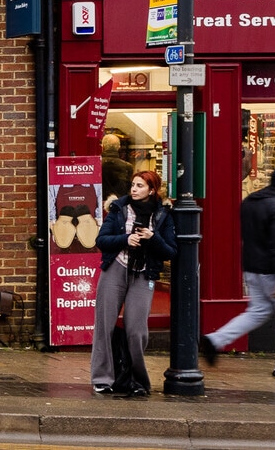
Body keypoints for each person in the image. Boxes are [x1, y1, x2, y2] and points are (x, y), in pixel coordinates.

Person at [199, 165, 275, 378]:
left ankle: (216, 339)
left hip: (251, 267)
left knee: (258, 310)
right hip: (273, 270)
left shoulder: (250, 202)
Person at [90, 169, 177, 396]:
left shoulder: (162, 216)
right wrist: (125, 239)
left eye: (140, 186)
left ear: (152, 189)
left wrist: (152, 237)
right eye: (133, 185)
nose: (134, 189)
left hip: (143, 273)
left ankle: (138, 381)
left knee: (136, 330)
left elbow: (170, 251)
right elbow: (101, 240)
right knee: (104, 325)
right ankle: (102, 379)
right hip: (116, 268)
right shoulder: (119, 209)